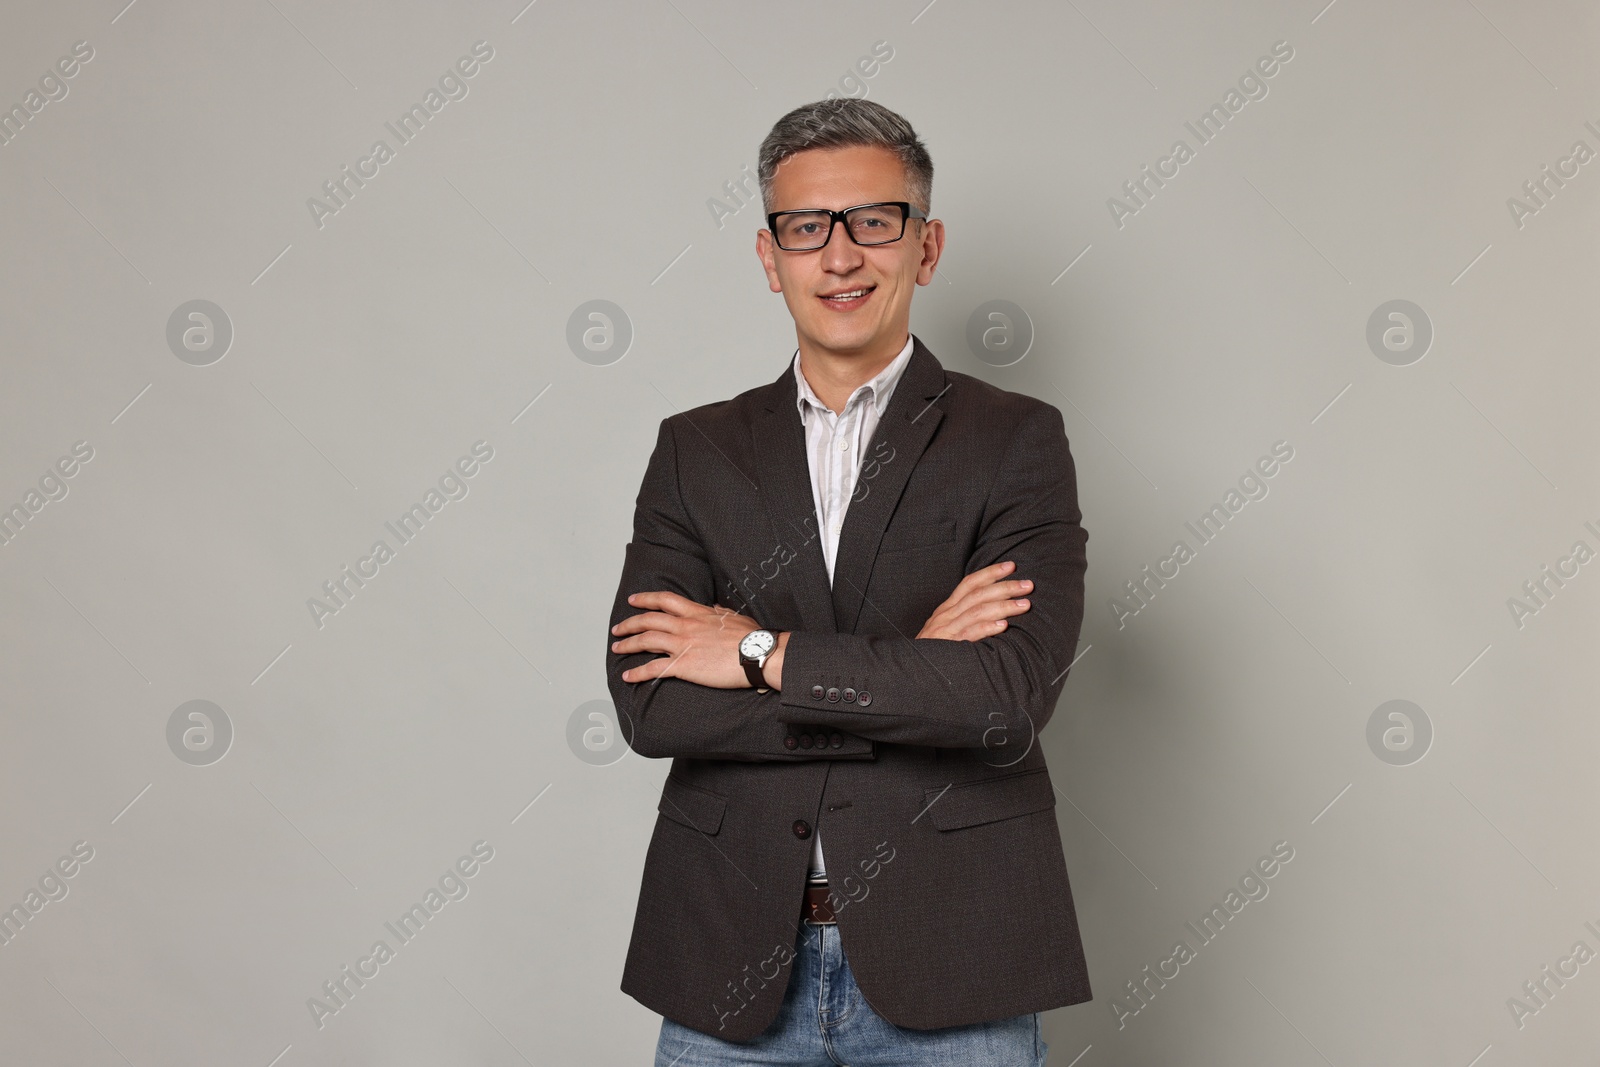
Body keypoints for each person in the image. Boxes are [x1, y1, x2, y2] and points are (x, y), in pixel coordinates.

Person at [607, 97, 1092, 1066]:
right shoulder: (695, 448)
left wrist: (755, 653)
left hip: (958, 953)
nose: (840, 256)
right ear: (768, 254)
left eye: (873, 221)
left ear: (926, 244)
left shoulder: (1015, 439)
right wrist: (915, 672)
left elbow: (1003, 699)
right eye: (806, 228)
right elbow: (652, 705)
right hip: (727, 949)